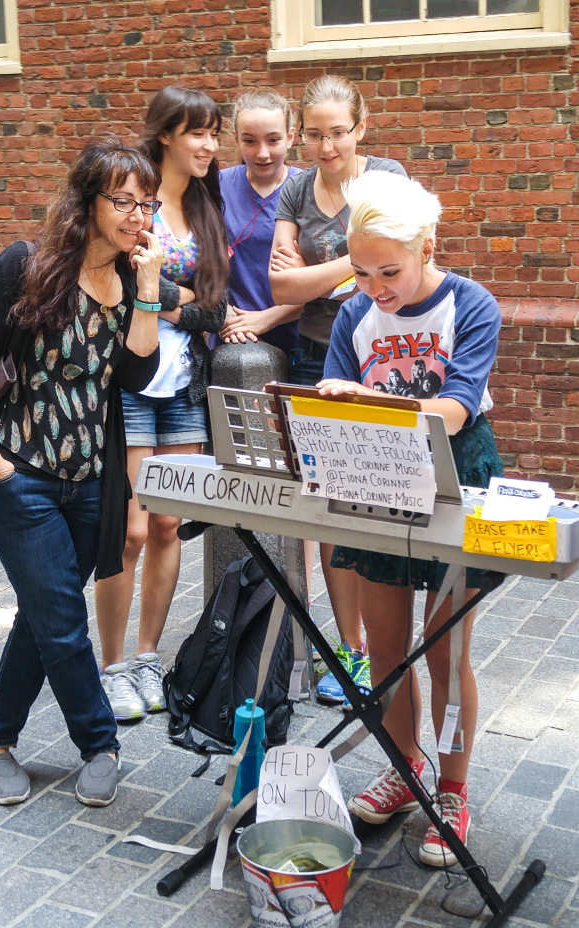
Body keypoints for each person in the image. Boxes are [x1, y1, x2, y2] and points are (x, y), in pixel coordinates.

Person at [0, 137, 163, 807]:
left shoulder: (131, 279)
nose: (138, 213)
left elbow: (137, 372)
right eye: (123, 200)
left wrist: (153, 286)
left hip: (90, 483)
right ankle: (100, 742)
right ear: (88, 201)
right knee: (63, 618)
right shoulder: (26, 263)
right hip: (22, 475)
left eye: (146, 201)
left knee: (42, 615)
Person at [318, 170, 504, 866]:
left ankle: (450, 791)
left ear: (428, 245)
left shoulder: (471, 303)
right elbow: (330, 404)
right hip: (377, 475)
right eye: (361, 271)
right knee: (387, 651)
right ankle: (406, 770)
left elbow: (456, 409)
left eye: (388, 270)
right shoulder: (353, 315)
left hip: (458, 475)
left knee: (448, 651)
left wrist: (367, 402)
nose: (375, 287)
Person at [269, 75, 408, 707]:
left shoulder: (388, 179)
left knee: (375, 501)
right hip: (311, 358)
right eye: (316, 134)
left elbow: (396, 265)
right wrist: (352, 267)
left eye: (338, 132)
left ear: (361, 128)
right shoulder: (297, 187)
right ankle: (348, 648)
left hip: (376, 357)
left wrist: (330, 272)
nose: (327, 147)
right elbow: (283, 292)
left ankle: (387, 646)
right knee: (326, 507)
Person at [94, 86, 229, 722]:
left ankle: (149, 656)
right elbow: (118, 280)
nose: (208, 145)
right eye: (197, 133)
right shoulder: (137, 196)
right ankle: (111, 665)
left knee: (171, 521)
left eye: (213, 134)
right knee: (131, 528)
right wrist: (173, 303)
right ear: (167, 134)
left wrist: (168, 298)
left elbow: (214, 307)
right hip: (131, 382)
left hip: (185, 386)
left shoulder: (205, 204)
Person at [217, 90, 302, 354]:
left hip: (298, 340)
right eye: (250, 141)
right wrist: (225, 314)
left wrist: (268, 318)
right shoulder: (218, 186)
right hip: (234, 339)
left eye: (273, 140)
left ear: (290, 137)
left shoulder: (310, 189)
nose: (262, 153)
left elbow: (325, 279)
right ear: (236, 139)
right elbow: (201, 260)